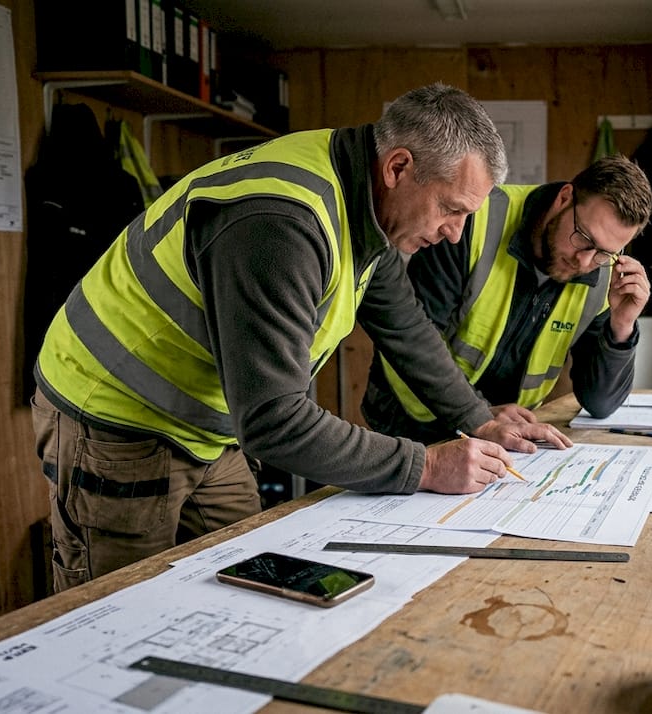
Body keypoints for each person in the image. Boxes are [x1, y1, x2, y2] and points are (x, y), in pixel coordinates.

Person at [30, 83, 569, 591]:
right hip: (116, 415)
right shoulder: (280, 222)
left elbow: (405, 325)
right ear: (398, 166)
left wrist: (479, 418)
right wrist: (426, 466)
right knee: (122, 609)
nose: (455, 232)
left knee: (244, 580)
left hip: (206, 425)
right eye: (452, 210)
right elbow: (275, 422)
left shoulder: (369, 204)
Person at [362, 155, 652, 445]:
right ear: (564, 198)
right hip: (411, 428)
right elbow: (413, 340)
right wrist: (479, 416)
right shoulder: (472, 220)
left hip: (503, 438)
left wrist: (622, 325)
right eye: (583, 238)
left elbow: (600, 404)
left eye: (604, 253)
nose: (584, 260)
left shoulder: (604, 277)